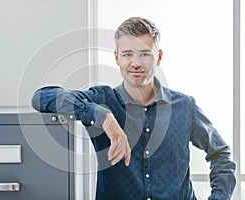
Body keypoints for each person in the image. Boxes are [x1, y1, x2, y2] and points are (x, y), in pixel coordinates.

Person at [31, 17, 236, 200]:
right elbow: (42, 97)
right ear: (117, 58)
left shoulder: (185, 107)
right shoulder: (101, 100)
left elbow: (221, 155)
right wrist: (102, 116)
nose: (135, 63)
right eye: (128, 54)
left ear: (159, 56)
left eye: (145, 54)